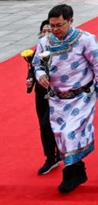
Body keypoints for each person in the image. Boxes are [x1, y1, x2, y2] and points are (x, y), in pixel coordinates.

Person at [32, 4, 98, 193]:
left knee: (69, 133)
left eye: (60, 25)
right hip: (57, 98)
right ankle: (77, 171)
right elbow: (37, 64)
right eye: (52, 26)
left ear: (71, 21)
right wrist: (40, 74)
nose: (55, 30)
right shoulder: (45, 42)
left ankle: (70, 175)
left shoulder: (85, 40)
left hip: (81, 96)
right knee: (60, 136)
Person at [25, 20, 60, 175]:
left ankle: (55, 155)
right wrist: (31, 80)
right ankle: (51, 156)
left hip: (57, 93)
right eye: (43, 31)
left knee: (48, 125)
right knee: (43, 126)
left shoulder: (60, 48)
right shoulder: (39, 48)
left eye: (49, 30)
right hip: (41, 93)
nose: (46, 34)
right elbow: (34, 67)